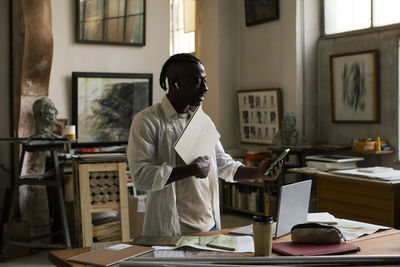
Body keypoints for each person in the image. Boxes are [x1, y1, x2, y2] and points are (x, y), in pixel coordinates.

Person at [127, 53, 283, 236]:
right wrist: (191, 170)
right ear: (177, 84)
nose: (205, 88)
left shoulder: (203, 121)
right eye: (197, 81)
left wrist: (258, 172)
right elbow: (141, 176)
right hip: (172, 230)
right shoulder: (147, 121)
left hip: (209, 225)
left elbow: (224, 165)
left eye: (205, 81)